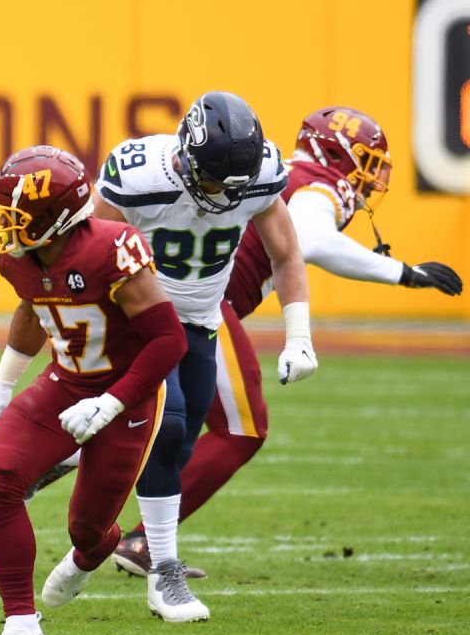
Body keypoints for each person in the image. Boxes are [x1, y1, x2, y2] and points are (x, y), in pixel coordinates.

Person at [109, 106, 464, 576]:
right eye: (364, 160)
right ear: (332, 151)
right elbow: (308, 239)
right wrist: (403, 273)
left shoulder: (272, 173)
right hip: (202, 308)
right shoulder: (317, 183)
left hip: (172, 301)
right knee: (240, 430)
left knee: (137, 421)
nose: (369, 176)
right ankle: (144, 542)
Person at [0, 145, 186, 635]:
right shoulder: (18, 257)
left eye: (16, 216)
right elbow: (32, 306)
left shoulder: (111, 249)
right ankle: (22, 628)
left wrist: (111, 403)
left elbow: (168, 341)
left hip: (126, 393)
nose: (5, 226)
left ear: (55, 218)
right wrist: (3, 384)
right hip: (65, 382)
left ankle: (94, 553)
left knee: (86, 528)